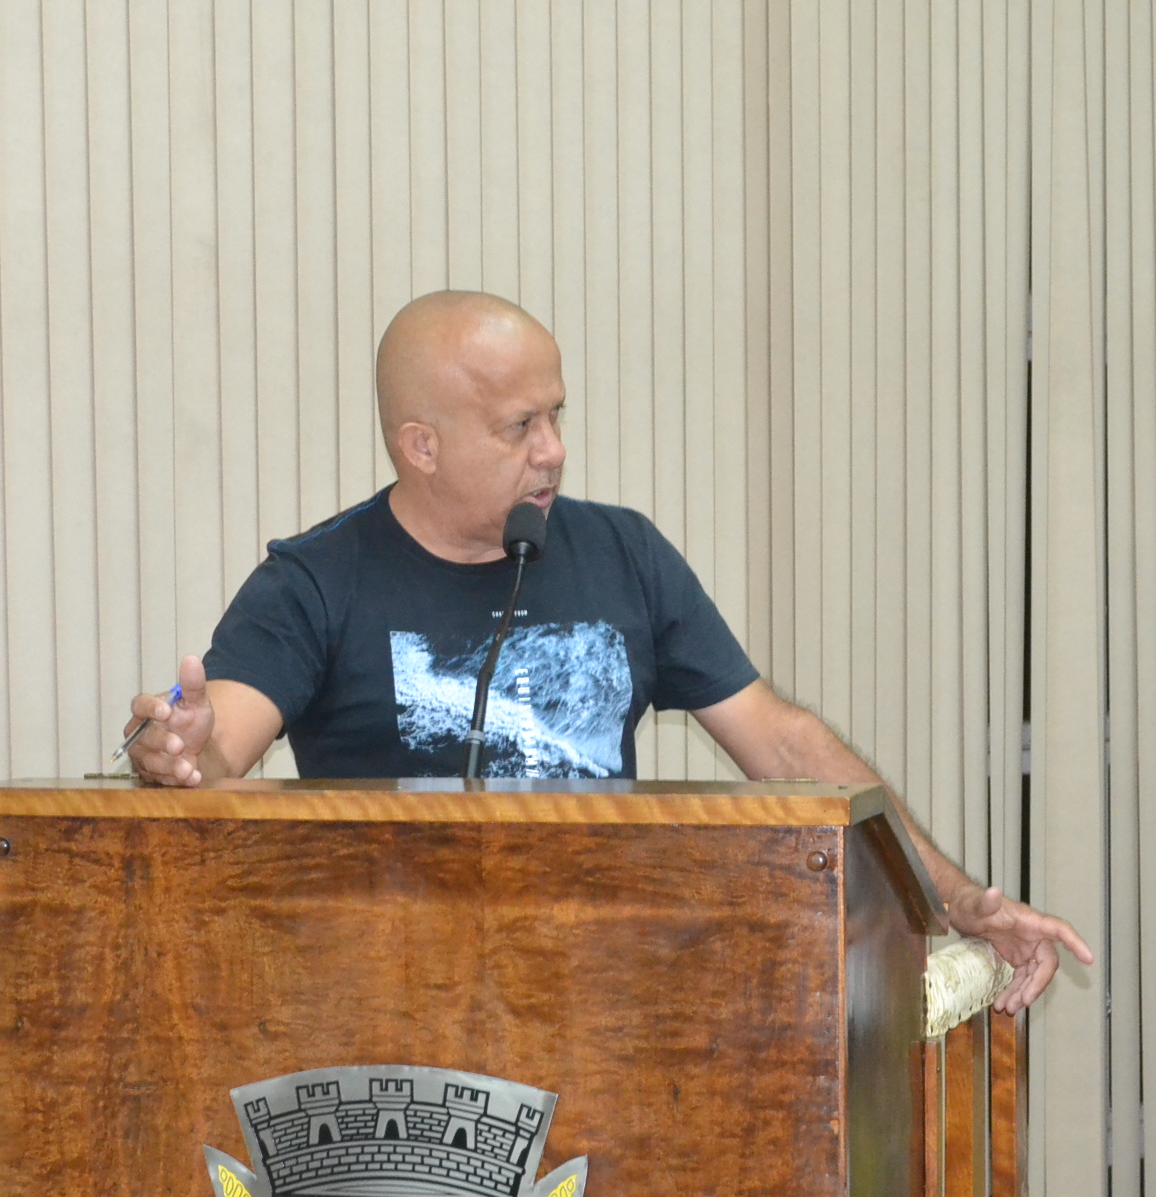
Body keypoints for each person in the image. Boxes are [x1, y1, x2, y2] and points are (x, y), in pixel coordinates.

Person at [127, 291, 1091, 1009]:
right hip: (393, 1011)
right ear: (421, 446)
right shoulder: (315, 581)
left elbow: (783, 743)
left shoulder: (624, 552)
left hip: (615, 1004)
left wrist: (955, 899)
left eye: (556, 416)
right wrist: (176, 752)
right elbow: (216, 753)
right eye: (519, 426)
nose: (552, 449)